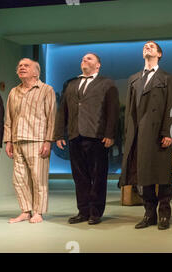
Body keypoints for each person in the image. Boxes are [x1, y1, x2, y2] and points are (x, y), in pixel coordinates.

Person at [54, 53, 119, 225]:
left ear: (98, 65)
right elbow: (63, 111)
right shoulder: (71, 84)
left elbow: (112, 111)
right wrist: (59, 134)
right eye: (83, 58)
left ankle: (95, 212)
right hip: (75, 135)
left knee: (98, 176)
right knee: (80, 177)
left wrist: (110, 134)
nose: (84, 60)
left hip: (97, 137)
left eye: (89, 58)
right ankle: (83, 211)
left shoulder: (107, 83)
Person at [119, 41, 172, 230]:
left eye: (152, 46)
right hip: (139, 134)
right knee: (144, 177)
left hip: (159, 133)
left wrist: (168, 132)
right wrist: (129, 134)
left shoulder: (168, 78)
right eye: (145, 46)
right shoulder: (134, 79)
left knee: (162, 176)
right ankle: (149, 214)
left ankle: (164, 214)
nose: (147, 47)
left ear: (159, 54)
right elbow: (129, 110)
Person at [4, 58, 56, 224]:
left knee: (38, 178)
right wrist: (8, 141)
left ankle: (38, 212)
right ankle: (25, 211)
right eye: (19, 65)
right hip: (18, 140)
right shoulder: (13, 92)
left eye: (26, 65)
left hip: (38, 140)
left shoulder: (46, 90)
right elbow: (9, 119)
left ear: (36, 72)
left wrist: (48, 141)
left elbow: (52, 118)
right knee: (18, 178)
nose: (21, 67)